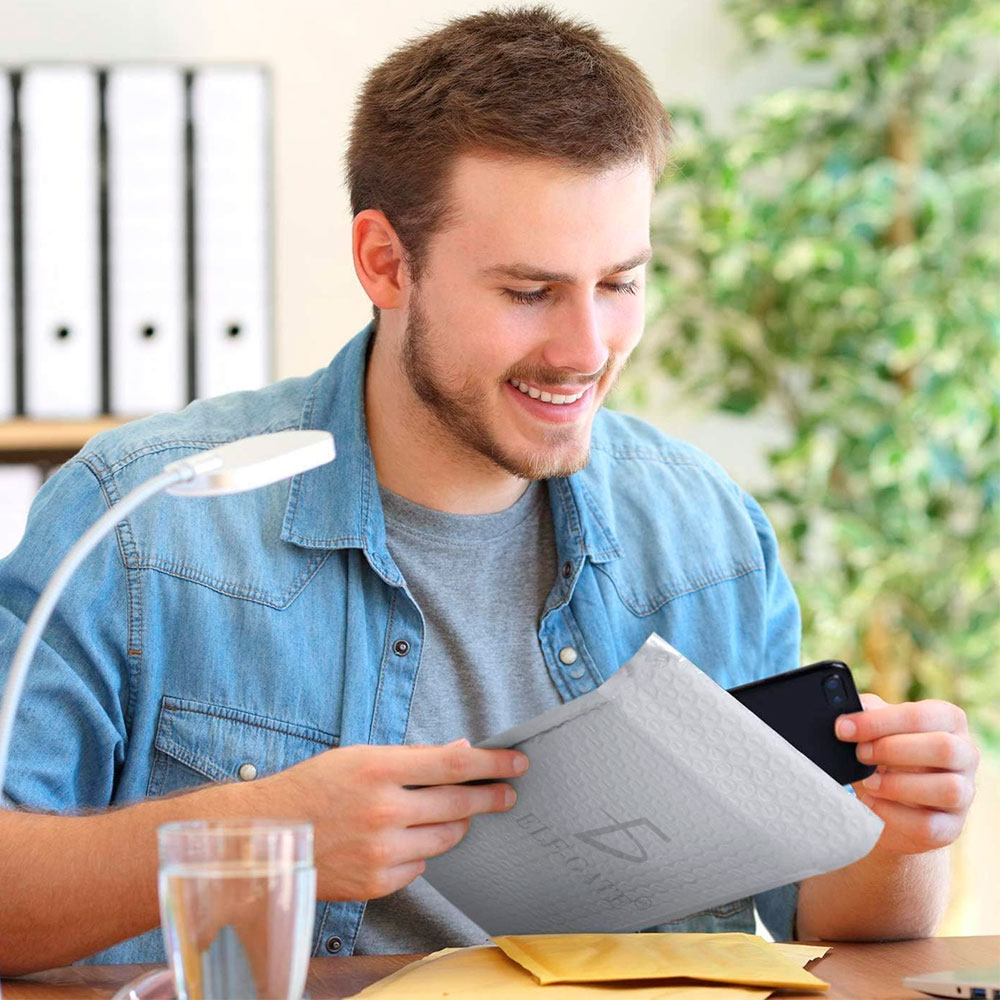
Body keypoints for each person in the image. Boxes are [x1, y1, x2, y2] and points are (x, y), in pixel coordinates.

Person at [0, 5, 979, 975]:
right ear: (386, 263)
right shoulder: (145, 522)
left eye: (620, 284)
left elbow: (825, 919)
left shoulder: (703, 532)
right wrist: (266, 832)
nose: (586, 350)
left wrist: (903, 833)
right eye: (528, 292)